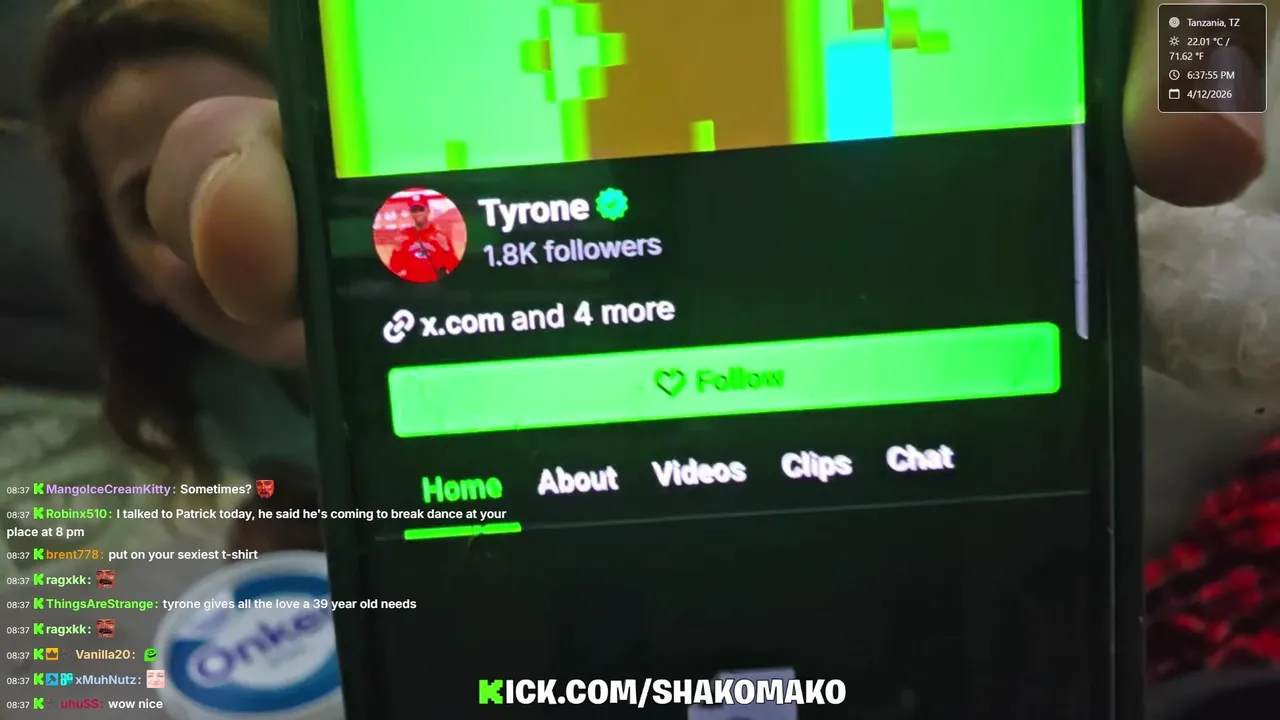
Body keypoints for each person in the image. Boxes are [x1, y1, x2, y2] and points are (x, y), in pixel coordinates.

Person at [386, 197, 458, 282]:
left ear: (428, 211)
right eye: (414, 210)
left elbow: (452, 266)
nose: (418, 213)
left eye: (421, 210)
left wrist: (446, 248)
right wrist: (397, 250)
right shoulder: (404, 235)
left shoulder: (440, 236)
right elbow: (396, 268)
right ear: (411, 213)